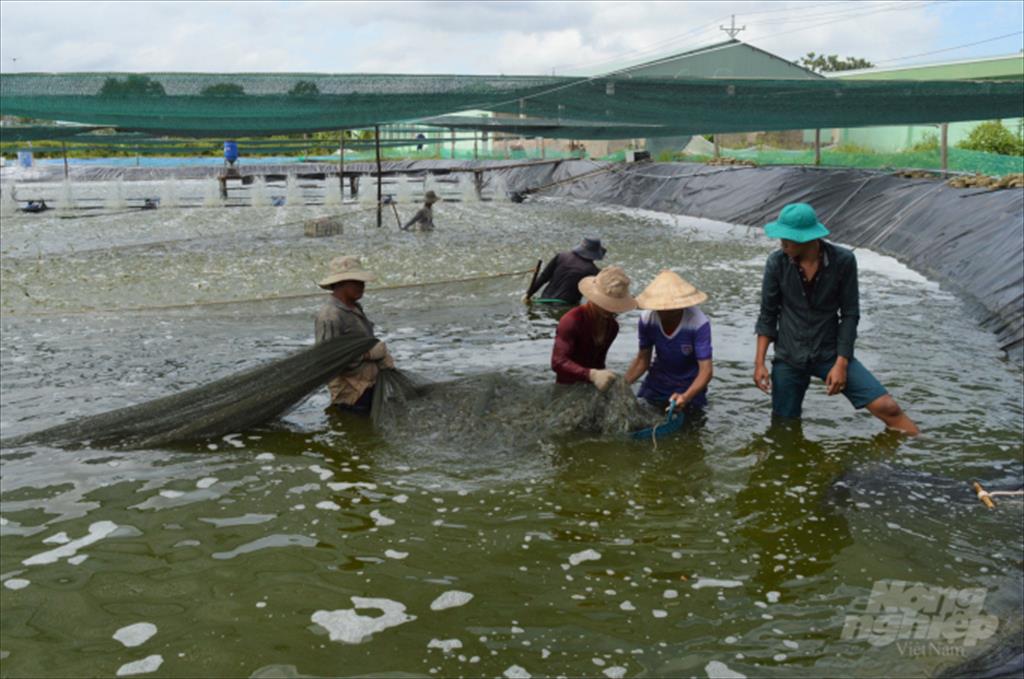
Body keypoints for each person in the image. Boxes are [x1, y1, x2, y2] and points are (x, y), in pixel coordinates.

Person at [753, 203, 919, 435]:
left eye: (788, 238)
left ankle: (920, 459)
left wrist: (841, 364)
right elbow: (768, 314)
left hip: (829, 352)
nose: (782, 243)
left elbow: (850, 314)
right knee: (784, 425)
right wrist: (759, 363)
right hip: (789, 355)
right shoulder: (776, 263)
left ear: (807, 239)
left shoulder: (843, 261)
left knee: (887, 407)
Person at [315, 256, 394, 415]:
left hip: (370, 385)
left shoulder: (354, 307)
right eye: (356, 282)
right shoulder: (330, 316)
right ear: (340, 284)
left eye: (362, 281)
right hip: (352, 395)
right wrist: (369, 354)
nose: (362, 286)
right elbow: (329, 360)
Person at [624, 270, 712, 412]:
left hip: (689, 384)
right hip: (657, 381)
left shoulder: (698, 323)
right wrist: (622, 385)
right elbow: (642, 360)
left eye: (670, 309)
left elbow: (706, 371)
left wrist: (686, 396)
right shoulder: (647, 319)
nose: (663, 311)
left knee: (690, 424)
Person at [551, 266, 637, 392]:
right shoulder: (572, 320)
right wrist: (591, 375)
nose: (610, 310)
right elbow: (557, 362)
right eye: (607, 304)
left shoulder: (612, 327)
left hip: (592, 386)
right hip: (566, 386)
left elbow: (599, 363)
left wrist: (603, 378)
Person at [524, 237, 606, 305]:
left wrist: (528, 294)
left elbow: (544, 277)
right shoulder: (593, 270)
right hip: (565, 306)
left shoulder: (561, 256)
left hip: (543, 300)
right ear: (595, 254)